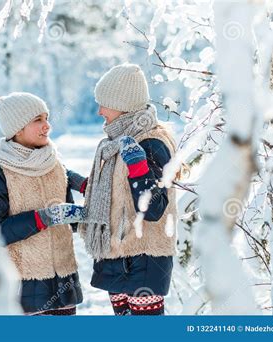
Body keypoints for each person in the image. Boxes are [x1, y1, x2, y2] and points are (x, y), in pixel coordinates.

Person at [79, 63, 178, 315]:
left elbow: (154, 208)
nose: (100, 111)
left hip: (143, 260)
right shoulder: (115, 144)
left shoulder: (152, 143)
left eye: (105, 103)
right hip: (117, 258)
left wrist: (139, 167)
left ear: (123, 105)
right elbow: (116, 197)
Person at [0, 92, 86, 315]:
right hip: (24, 286)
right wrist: (41, 218)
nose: (47, 125)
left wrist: (90, 215)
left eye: (46, 118)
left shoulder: (54, 164)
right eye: (38, 120)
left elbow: (69, 218)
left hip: (63, 280)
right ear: (17, 128)